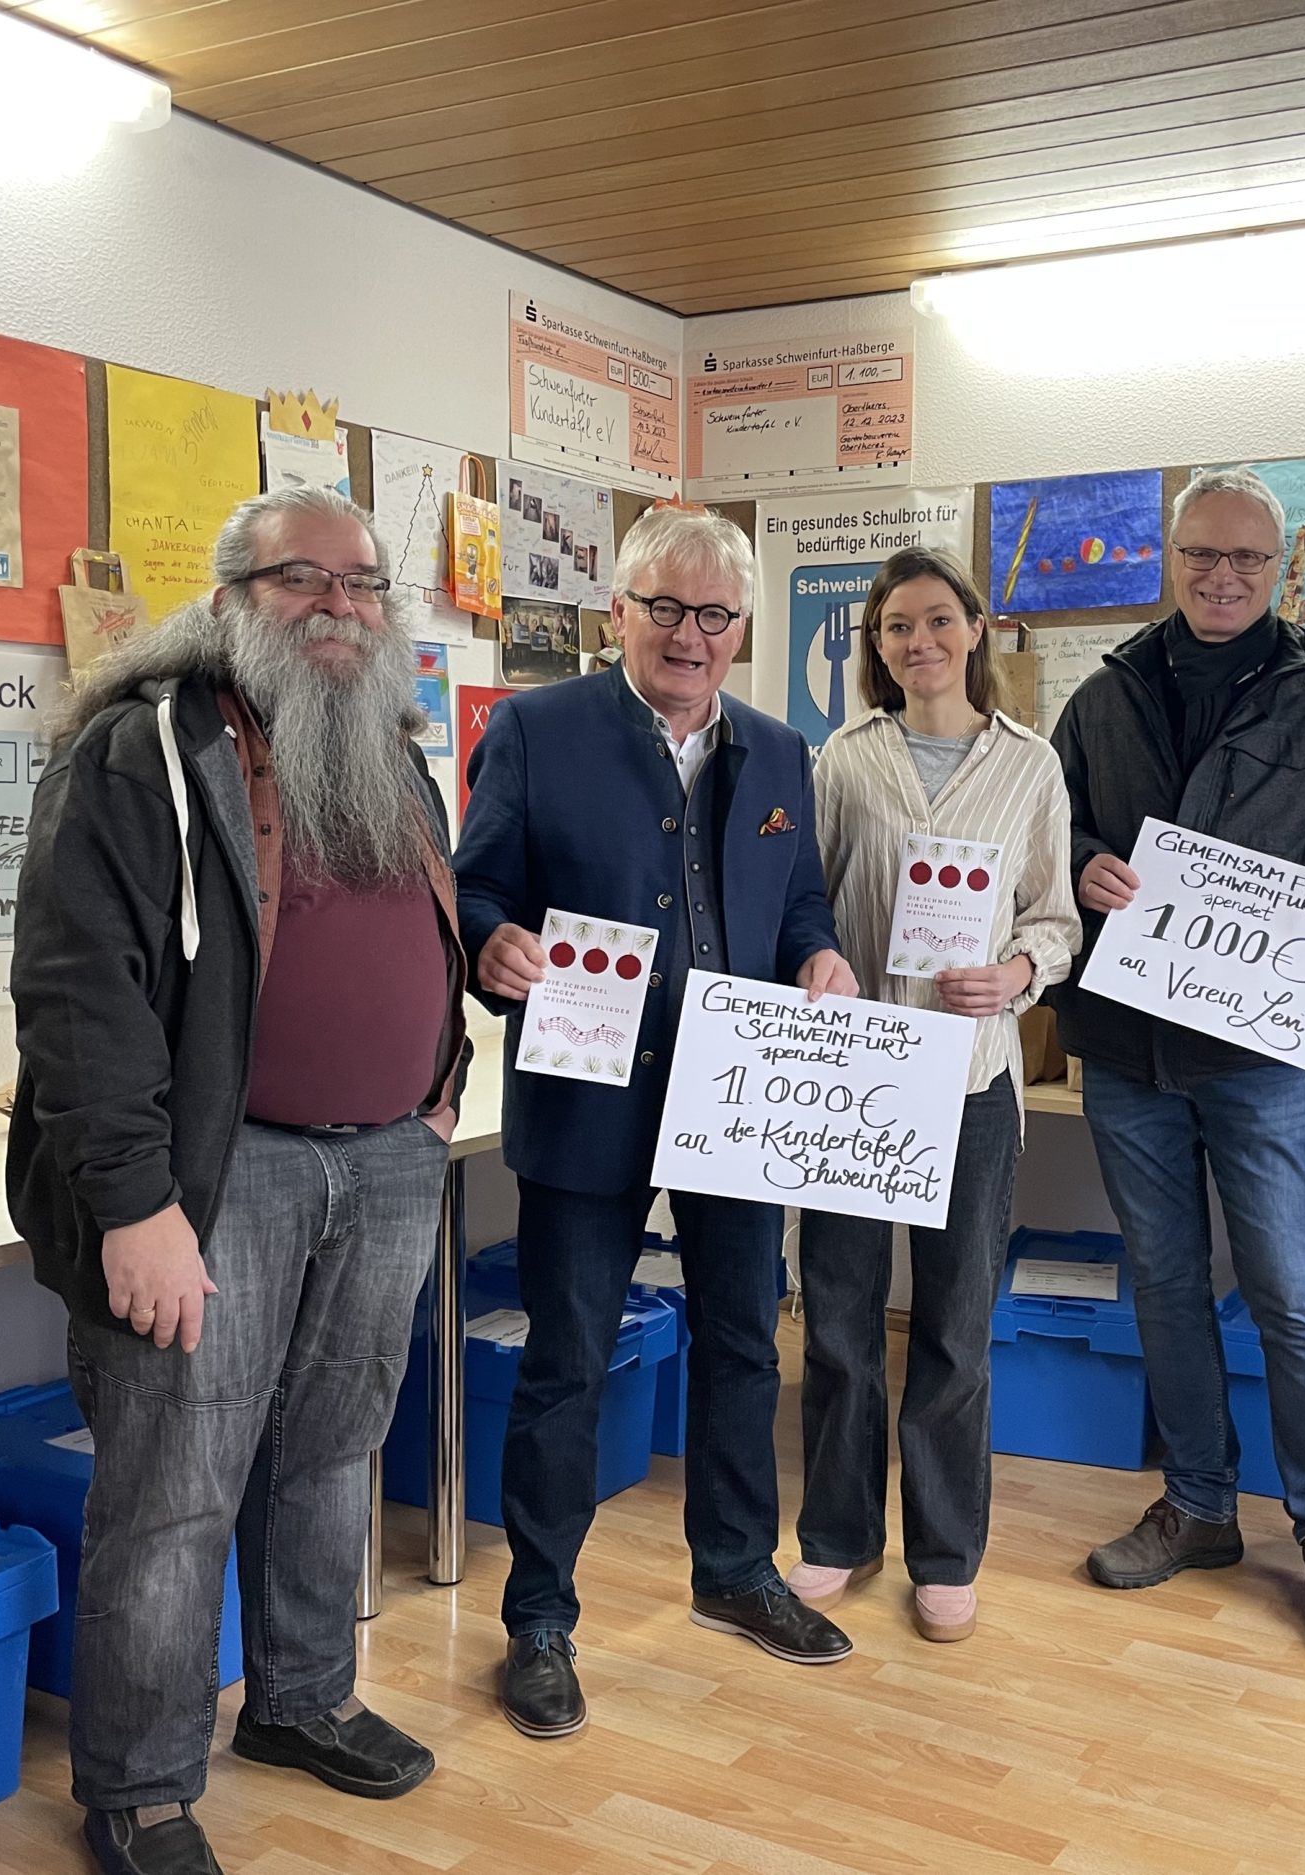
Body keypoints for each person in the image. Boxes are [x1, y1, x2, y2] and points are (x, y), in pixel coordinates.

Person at [9, 486, 468, 1875]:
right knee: (172, 1487)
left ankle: (303, 1695)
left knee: (334, 1452)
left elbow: (419, 929)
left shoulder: (387, 755)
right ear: (226, 601)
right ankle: (141, 1788)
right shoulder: (135, 753)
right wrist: (137, 1204)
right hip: (221, 1180)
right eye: (300, 580)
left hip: (387, 1160)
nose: (337, 605)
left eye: (362, 583)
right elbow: (78, 997)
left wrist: (435, 1088)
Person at [455, 506, 858, 1740]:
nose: (691, 635)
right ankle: (539, 1619)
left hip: (742, 1097)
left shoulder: (782, 751)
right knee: (569, 1356)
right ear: (618, 612)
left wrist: (823, 957)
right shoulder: (535, 730)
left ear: (743, 627)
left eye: (716, 614)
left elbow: (797, 906)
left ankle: (734, 1573)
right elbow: (475, 884)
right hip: (588, 1094)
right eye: (666, 608)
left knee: (742, 1341)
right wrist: (493, 943)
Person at [1049, 467, 1305, 1671]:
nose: (1221, 577)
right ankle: (1198, 1506)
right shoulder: (1103, 698)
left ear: (1277, 570)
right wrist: (1088, 864)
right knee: (1160, 1279)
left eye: (1246, 561)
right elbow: (1052, 833)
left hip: (1257, 1056)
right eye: (1202, 554)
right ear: (1171, 555)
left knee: (1292, 1295)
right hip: (1124, 1048)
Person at [786, 547, 1081, 1644]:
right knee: (841, 1321)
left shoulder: (1030, 767)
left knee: (957, 1326)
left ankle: (947, 1553)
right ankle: (834, 1532)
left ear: (976, 630)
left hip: (972, 1079)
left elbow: (1056, 918)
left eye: (938, 622)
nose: (919, 643)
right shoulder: (842, 761)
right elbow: (803, 905)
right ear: (875, 645)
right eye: (896, 627)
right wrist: (817, 958)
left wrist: (1015, 974)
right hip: (856, 1076)